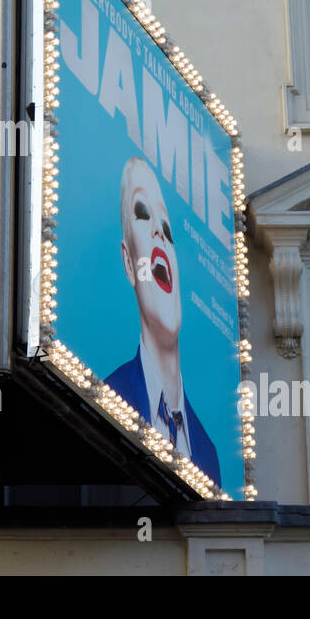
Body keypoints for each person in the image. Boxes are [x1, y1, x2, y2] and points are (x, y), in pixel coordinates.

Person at [103, 157, 221, 486]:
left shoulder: (208, 453)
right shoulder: (106, 397)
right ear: (129, 262)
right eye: (142, 213)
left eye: (168, 230)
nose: (160, 232)